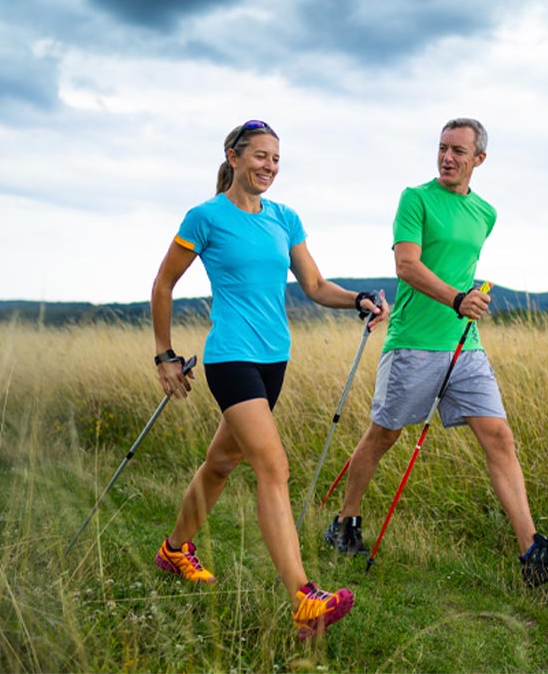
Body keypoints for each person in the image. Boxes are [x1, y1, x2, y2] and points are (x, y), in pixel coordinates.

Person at [324, 118, 548, 587]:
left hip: (464, 345)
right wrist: (455, 298)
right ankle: (344, 524)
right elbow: (406, 266)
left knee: (499, 437)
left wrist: (469, 299)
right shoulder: (416, 198)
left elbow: (461, 268)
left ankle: (532, 553)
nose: (447, 157)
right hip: (412, 343)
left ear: (478, 159)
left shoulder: (486, 213)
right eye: (442, 148)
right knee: (382, 437)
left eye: (458, 151)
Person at [150, 119, 389, 640]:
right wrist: (164, 355)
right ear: (233, 158)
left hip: (274, 360)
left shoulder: (285, 218)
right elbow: (164, 284)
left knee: (219, 464)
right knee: (272, 466)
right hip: (231, 358)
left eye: (276, 159)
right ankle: (304, 599)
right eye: (260, 156)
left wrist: (359, 299)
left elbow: (316, 285)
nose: (269, 167)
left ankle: (173, 552)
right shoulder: (205, 217)